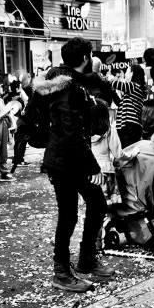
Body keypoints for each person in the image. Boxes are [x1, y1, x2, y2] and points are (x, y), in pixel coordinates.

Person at [35, 38, 115, 293]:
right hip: (66, 161)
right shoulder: (67, 90)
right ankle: (61, 271)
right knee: (69, 213)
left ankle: (86, 259)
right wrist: (93, 167)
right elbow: (71, 133)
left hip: (67, 159)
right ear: (84, 59)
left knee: (96, 203)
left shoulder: (67, 85)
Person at [109, 64, 146, 148]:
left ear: (132, 74)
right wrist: (113, 92)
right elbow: (119, 103)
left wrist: (110, 78)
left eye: (127, 71)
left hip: (130, 126)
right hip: (127, 126)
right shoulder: (132, 89)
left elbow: (115, 84)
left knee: (128, 152)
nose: (125, 74)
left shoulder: (134, 86)